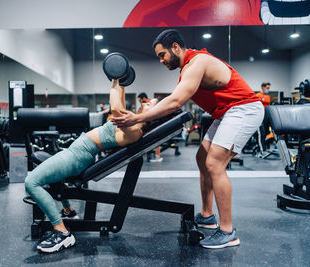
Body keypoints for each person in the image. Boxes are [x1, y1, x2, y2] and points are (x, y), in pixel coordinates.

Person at [111, 29, 263, 249]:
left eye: (162, 55)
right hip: (226, 112)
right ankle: (207, 215)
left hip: (243, 109)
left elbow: (175, 101)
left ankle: (228, 231)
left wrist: (139, 117)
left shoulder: (198, 62)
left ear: (175, 47)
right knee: (203, 158)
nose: (161, 60)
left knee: (214, 163)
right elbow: (174, 99)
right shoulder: (188, 68)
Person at [24, 80, 160, 253]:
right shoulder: (132, 123)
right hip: (75, 152)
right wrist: (122, 83)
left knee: (31, 181)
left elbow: (116, 110)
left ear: (153, 114)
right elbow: (121, 101)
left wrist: (114, 82)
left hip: (76, 156)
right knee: (49, 175)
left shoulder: (134, 131)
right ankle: (69, 211)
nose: (146, 102)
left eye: (150, 104)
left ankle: (62, 233)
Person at [256, 82, 271, 153]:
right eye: (267, 88)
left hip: (266, 117)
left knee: (267, 133)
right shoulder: (258, 95)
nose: (268, 89)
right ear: (262, 87)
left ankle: (265, 148)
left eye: (269, 88)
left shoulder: (268, 96)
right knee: (261, 134)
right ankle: (262, 150)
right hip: (259, 117)